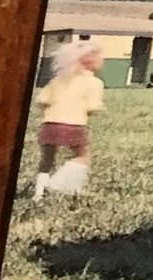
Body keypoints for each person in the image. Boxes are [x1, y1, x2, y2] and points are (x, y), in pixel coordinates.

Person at [32, 42, 104, 201]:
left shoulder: (60, 79)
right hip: (73, 124)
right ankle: (60, 184)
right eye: (99, 56)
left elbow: (43, 99)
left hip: (50, 123)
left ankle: (38, 192)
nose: (102, 60)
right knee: (83, 156)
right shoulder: (94, 83)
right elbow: (92, 107)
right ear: (89, 61)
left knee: (47, 158)